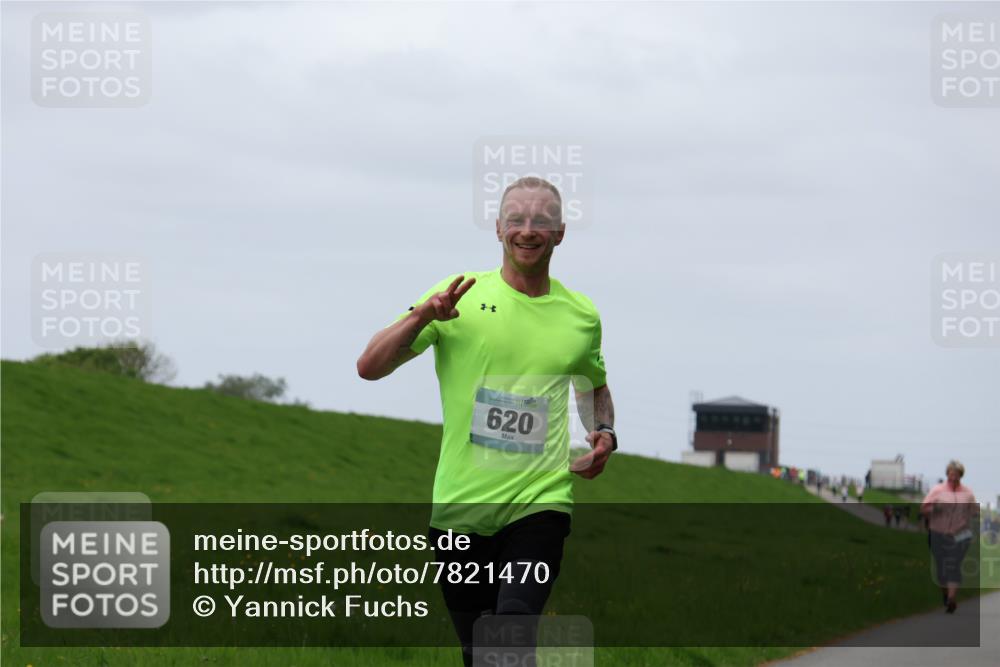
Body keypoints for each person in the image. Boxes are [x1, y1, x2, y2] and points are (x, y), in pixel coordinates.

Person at [357, 177, 615, 666]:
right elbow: (369, 367)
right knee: (480, 652)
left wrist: (605, 432)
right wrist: (421, 318)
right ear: (498, 228)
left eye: (542, 220)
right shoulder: (457, 298)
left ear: (560, 233)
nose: (527, 229)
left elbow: (593, 384)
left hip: (541, 504)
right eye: (516, 218)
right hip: (459, 510)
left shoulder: (581, 316)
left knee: (511, 631)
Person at [920, 460, 979, 614]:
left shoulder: (967, 493)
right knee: (941, 569)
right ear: (947, 474)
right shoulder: (937, 490)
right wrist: (935, 508)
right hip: (938, 533)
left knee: (953, 565)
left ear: (961, 476)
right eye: (951, 473)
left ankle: (952, 598)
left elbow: (974, 512)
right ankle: (946, 595)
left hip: (961, 535)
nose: (954, 476)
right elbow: (924, 509)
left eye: (957, 474)